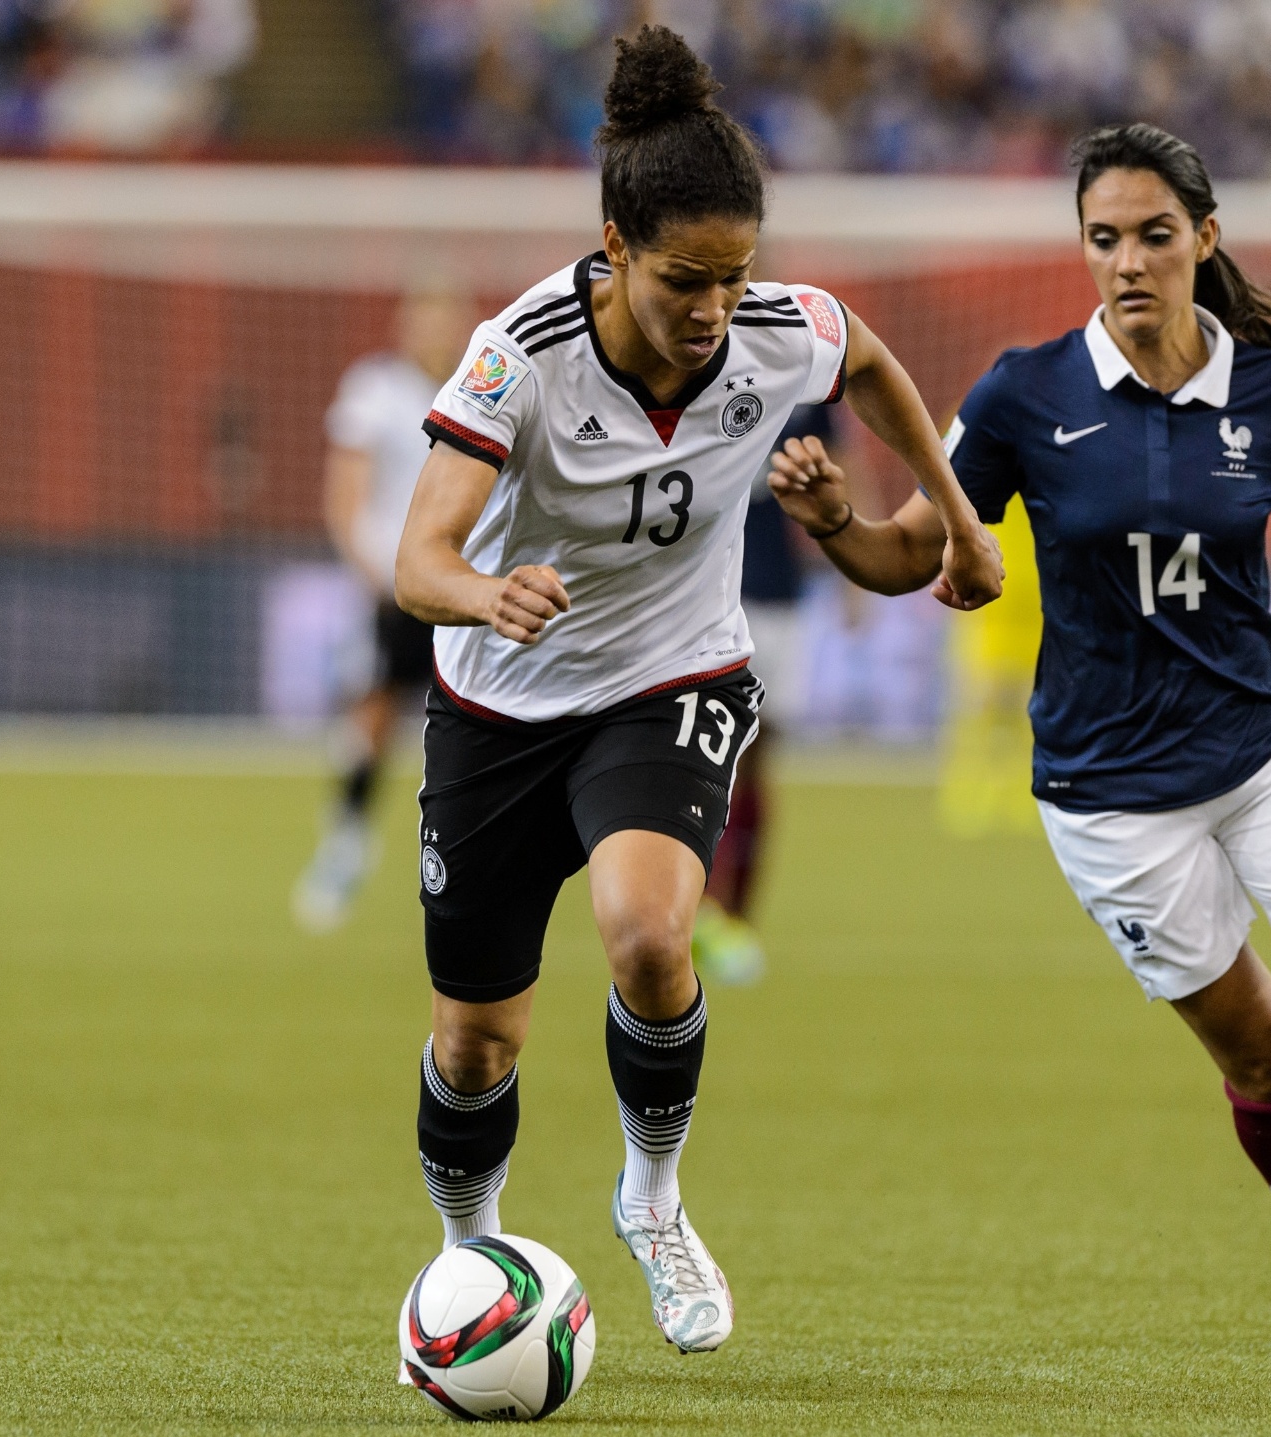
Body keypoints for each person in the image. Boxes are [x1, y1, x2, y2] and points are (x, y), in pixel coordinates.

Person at [767, 122, 1271, 1358]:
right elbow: (914, 552)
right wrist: (832, 522)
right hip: (1111, 798)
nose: (1127, 262)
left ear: (1205, 239)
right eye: (1102, 239)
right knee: (1258, 1063)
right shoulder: (1023, 395)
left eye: (1152, 235)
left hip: (1255, 751)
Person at [391, 24, 1003, 1365]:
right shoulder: (518, 357)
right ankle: (470, 1255)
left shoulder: (779, 334)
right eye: (685, 278)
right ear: (614, 247)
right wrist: (484, 593)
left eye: (736, 275)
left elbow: (877, 367)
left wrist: (955, 522)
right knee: (477, 1043)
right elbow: (417, 558)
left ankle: (653, 1197)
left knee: (652, 938)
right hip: (496, 707)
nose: (716, 307)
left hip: (670, 680)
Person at [293, 280, 473, 933]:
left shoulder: (482, 388)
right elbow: (346, 495)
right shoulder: (375, 390)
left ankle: (466, 867)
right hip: (396, 586)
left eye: (443, 317)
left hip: (463, 584)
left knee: (471, 728)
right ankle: (344, 845)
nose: (433, 331)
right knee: (374, 715)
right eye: (422, 318)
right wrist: (374, 571)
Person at [690, 401, 835, 986]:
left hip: (778, 598)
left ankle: (735, 920)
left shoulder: (807, 378)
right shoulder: (703, 365)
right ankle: (687, 908)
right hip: (706, 594)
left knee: (755, 759)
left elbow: (837, 468)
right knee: (696, 757)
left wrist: (846, 552)